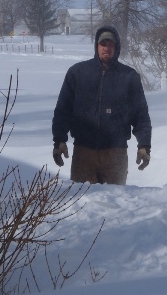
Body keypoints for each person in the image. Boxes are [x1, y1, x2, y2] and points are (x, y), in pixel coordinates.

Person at [51, 26, 151, 185]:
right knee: (81, 202)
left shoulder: (129, 77)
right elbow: (63, 110)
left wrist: (144, 145)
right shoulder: (78, 73)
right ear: (96, 46)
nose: (107, 48)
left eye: (111, 44)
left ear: (116, 47)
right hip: (84, 153)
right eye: (103, 44)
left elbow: (140, 114)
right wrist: (59, 140)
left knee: (115, 202)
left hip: (115, 154)